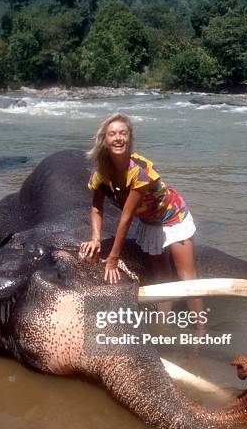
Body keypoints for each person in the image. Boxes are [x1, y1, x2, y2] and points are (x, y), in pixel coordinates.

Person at [80, 114, 201, 306]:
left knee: (186, 275)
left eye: (123, 133)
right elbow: (96, 207)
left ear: (130, 138)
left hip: (173, 216)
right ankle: (164, 326)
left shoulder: (140, 170)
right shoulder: (101, 172)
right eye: (112, 134)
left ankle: (201, 332)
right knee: (161, 276)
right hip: (149, 221)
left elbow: (127, 217)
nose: (118, 138)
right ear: (105, 140)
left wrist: (113, 257)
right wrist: (96, 238)